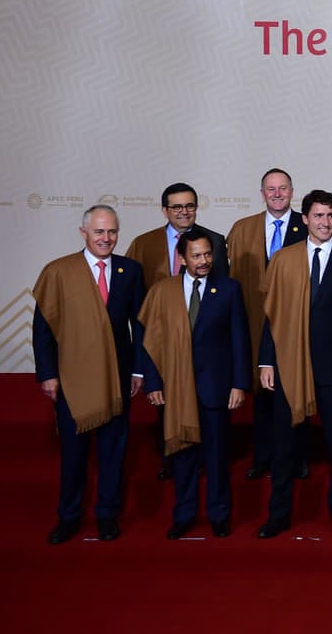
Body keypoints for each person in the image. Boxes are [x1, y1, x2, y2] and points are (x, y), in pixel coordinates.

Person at [256, 190, 332, 540]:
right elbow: (271, 316)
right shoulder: (284, 258)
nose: (325, 222)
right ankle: (278, 515)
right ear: (304, 219)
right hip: (289, 366)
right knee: (285, 445)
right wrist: (266, 361)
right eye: (318, 216)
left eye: (330, 216)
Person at [35, 205, 145, 544]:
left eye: (112, 231)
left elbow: (139, 326)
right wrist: (49, 374)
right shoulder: (59, 271)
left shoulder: (130, 270)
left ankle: (107, 516)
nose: (106, 238)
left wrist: (138, 370)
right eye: (99, 232)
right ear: (83, 232)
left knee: (113, 452)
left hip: (118, 376)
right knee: (75, 454)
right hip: (73, 378)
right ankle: (68, 517)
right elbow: (43, 330)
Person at [137, 230, 251, 539]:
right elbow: (148, 343)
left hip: (216, 388)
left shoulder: (229, 289)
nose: (203, 261)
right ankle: (184, 514)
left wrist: (239, 383)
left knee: (216, 457)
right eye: (197, 256)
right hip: (175, 389)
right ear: (182, 258)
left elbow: (240, 338)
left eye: (207, 255)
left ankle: (219, 515)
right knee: (182, 456)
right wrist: (153, 383)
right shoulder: (163, 291)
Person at [125, 182, 230, 481]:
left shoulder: (216, 241)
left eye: (190, 206)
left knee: (205, 404)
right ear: (164, 210)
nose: (184, 212)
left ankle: (205, 460)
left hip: (204, 341)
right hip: (163, 341)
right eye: (177, 207)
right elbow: (135, 298)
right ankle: (171, 458)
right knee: (167, 403)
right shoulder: (143, 244)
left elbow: (221, 292)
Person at [227, 168, 309, 481]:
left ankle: (297, 457)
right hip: (253, 320)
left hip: (294, 325)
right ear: (262, 193)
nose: (277, 194)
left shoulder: (307, 225)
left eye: (283, 188)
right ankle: (262, 457)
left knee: (294, 390)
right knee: (262, 394)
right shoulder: (242, 228)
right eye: (270, 189)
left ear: (292, 191)